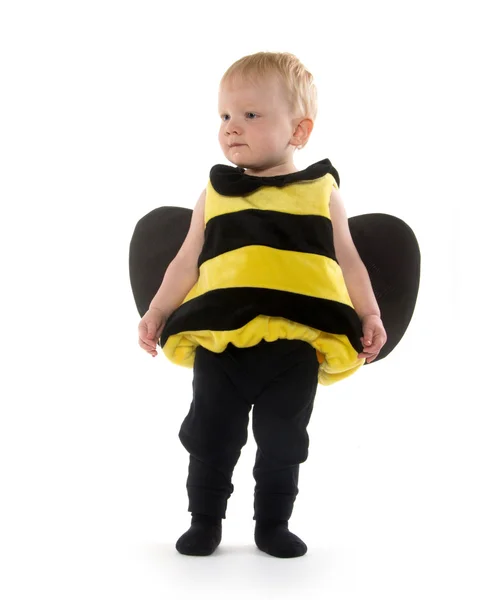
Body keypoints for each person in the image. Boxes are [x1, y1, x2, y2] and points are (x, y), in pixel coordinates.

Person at [137, 52, 387, 558]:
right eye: (225, 116)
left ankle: (273, 522)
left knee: (283, 439)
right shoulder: (216, 193)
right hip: (222, 339)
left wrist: (371, 314)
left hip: (294, 344)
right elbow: (187, 262)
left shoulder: (320, 192)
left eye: (251, 115)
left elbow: (350, 262)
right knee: (210, 433)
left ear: (299, 130)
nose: (232, 128)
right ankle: (204, 519)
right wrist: (158, 311)